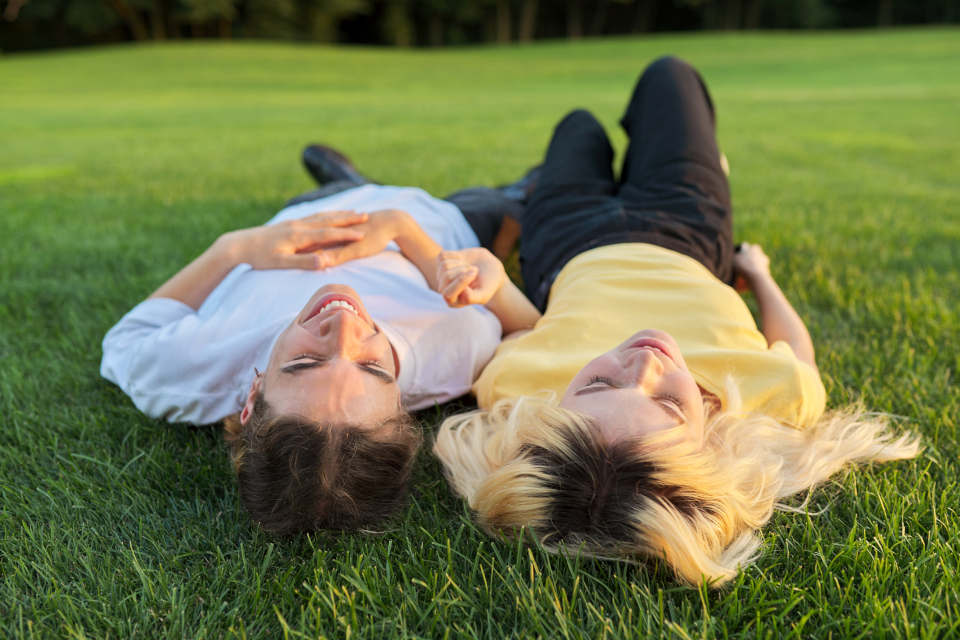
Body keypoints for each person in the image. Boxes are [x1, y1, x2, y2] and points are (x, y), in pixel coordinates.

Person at [430, 57, 920, 587]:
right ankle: (692, 170)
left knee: (578, 126)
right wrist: (758, 273)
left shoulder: (524, 394)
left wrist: (499, 285)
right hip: (685, 225)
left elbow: (526, 330)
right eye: (667, 403)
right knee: (670, 75)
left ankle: (536, 193)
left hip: (567, 240)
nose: (643, 361)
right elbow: (793, 345)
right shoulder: (773, 397)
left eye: (597, 383)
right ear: (705, 447)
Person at [100, 153, 538, 535]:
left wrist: (234, 249)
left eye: (305, 360)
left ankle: (346, 179)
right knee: (508, 205)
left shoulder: (187, 371)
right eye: (373, 368)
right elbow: (528, 330)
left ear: (253, 396)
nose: (344, 326)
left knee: (330, 194)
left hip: (306, 215)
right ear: (402, 403)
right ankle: (506, 191)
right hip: (432, 215)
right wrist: (401, 228)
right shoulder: (448, 347)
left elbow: (124, 340)